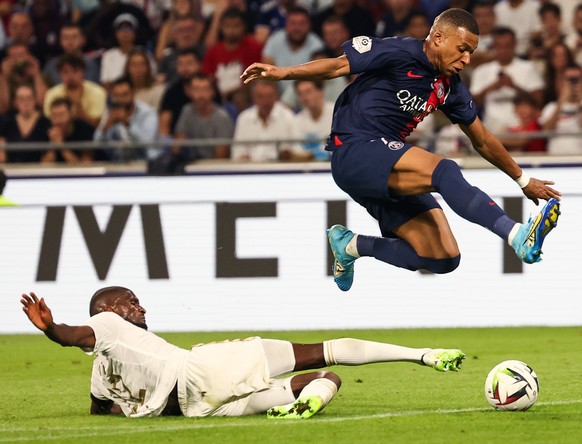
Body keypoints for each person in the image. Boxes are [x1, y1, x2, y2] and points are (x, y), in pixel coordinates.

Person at [241, 8, 561, 292]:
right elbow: (338, 66)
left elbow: (482, 139)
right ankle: (516, 235)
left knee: (443, 257)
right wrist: (283, 73)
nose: (467, 59)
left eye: (471, 52)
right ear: (437, 37)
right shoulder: (399, 51)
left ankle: (350, 245)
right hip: (355, 147)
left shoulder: (450, 87)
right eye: (462, 49)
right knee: (445, 170)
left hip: (383, 163)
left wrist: (521, 180)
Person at [20, 287, 465, 418]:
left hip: (196, 410)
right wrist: (51, 328)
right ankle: (421, 354)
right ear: (107, 311)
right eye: (130, 301)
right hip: (200, 369)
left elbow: (101, 410)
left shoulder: (100, 373)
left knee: (324, 381)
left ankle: (304, 404)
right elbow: (73, 335)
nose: (139, 307)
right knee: (320, 353)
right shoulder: (105, 323)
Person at [470, 26, 544, 136]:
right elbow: (470, 104)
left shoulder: (528, 68)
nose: (503, 50)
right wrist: (492, 87)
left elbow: (539, 101)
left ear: (515, 45)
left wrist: (513, 86)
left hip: (523, 129)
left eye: (507, 46)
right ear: (494, 46)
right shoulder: (481, 71)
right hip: (492, 129)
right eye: (499, 46)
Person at [94, 77, 158, 161]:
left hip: (145, 163)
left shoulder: (148, 113)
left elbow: (146, 143)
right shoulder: (110, 113)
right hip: (118, 164)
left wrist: (127, 124)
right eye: (116, 95)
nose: (120, 99)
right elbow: (96, 144)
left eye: (124, 95)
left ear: (133, 93)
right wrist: (105, 128)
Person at [174, 73, 233, 161]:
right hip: (192, 163)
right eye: (196, 90)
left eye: (205, 90)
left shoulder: (221, 117)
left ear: (212, 92)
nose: (201, 95)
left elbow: (221, 155)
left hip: (213, 166)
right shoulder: (187, 111)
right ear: (189, 92)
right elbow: (177, 145)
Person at [43, 53, 107, 127]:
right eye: (65, 72)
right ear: (60, 74)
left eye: (75, 71)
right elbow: (49, 122)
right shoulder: (52, 93)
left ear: (83, 72)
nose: (70, 76)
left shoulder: (97, 91)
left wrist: (77, 103)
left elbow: (96, 125)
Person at [0, 84, 51, 163]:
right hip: (12, 169)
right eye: (21, 99)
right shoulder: (8, 122)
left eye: (29, 98)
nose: (26, 103)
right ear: (15, 102)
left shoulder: (45, 122)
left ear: (35, 100)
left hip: (38, 170)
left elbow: (50, 152)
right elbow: (2, 152)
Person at [539, 63, 582, 155]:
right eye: (570, 80)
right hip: (556, 158)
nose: (573, 84)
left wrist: (580, 101)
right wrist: (561, 101)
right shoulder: (551, 107)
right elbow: (547, 130)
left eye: (577, 80)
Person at [45, 97, 98, 163]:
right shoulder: (47, 129)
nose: (58, 120)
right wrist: (52, 146)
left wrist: (62, 146)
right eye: (54, 116)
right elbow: (44, 167)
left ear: (71, 114)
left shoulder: (85, 129)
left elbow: (85, 168)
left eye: (61, 115)